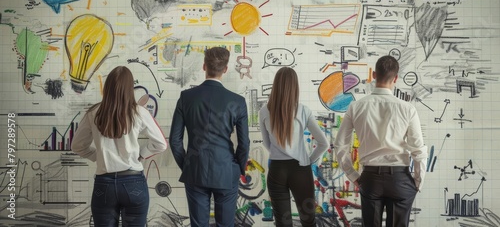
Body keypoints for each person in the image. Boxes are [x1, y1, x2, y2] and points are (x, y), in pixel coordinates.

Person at [333, 55, 428, 227]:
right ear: (396, 78)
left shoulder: (356, 107)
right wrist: (417, 182)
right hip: (400, 179)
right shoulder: (408, 108)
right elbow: (418, 150)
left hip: (370, 178)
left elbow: (340, 146)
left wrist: (353, 175)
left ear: (374, 75)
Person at [72, 66, 167, 226]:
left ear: (107, 87)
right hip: (133, 183)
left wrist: (99, 157)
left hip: (104, 185)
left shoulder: (93, 112)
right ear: (130, 88)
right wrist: (141, 154)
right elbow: (161, 144)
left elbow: (77, 146)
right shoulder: (139, 112)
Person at [169, 47, 250, 227]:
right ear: (225, 69)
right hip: (226, 170)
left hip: (195, 170)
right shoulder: (237, 101)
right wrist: (238, 168)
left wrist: (188, 166)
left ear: (204, 66)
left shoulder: (186, 97)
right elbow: (244, 144)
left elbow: (175, 141)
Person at [259, 67, 329, 227]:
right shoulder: (303, 110)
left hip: (277, 170)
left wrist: (279, 154)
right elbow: (323, 143)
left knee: (282, 223)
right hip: (300, 170)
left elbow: (266, 143)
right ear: (295, 86)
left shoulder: (264, 111)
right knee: (308, 221)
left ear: (275, 85)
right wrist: (308, 160)